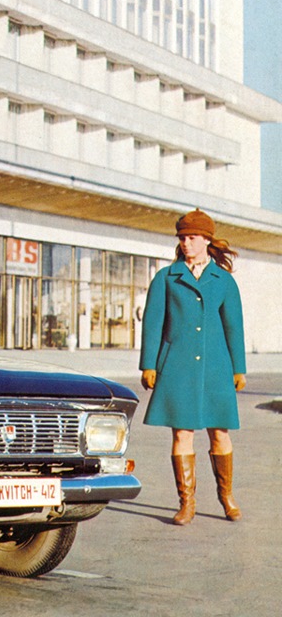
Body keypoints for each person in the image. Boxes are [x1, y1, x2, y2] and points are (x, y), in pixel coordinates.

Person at [139, 209, 246, 526]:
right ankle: (187, 504)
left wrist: (238, 368)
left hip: (216, 367)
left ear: (206, 240)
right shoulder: (166, 277)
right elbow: (152, 323)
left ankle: (227, 497)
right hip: (177, 367)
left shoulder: (224, 281)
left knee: (220, 433)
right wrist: (149, 364)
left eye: (192, 237)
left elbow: (234, 327)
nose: (186, 243)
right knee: (182, 433)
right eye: (182, 238)